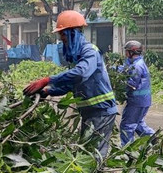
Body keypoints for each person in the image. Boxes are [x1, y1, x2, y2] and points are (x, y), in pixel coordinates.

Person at [23, 10, 118, 163]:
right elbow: (72, 84)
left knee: (93, 156)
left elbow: (80, 74)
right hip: (89, 112)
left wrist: (48, 80)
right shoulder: (78, 56)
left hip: (101, 111)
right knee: (85, 152)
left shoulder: (89, 52)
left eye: (63, 35)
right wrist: (49, 91)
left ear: (72, 33)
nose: (61, 39)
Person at [119, 40, 155, 146]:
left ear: (131, 52)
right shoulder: (138, 63)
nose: (125, 54)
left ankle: (128, 150)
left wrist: (119, 84)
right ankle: (152, 137)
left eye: (126, 51)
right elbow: (125, 69)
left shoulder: (136, 66)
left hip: (136, 101)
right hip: (144, 100)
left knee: (127, 126)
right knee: (138, 123)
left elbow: (131, 83)